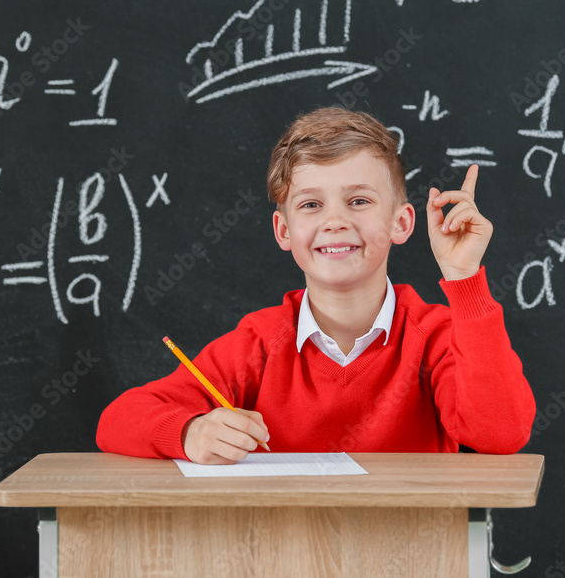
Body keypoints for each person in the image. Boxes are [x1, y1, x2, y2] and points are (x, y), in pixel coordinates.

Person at [96, 107, 535, 464]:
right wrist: (189, 432)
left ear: (401, 222)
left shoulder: (436, 337)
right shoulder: (259, 343)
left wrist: (463, 279)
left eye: (359, 201)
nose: (335, 221)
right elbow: (116, 420)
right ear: (283, 232)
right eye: (310, 204)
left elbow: (501, 434)